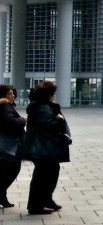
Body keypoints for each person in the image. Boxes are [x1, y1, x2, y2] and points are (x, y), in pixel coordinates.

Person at [24, 81, 68, 214]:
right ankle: (36, 206)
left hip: (43, 146)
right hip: (44, 147)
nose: (54, 96)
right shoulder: (43, 108)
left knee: (48, 173)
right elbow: (48, 125)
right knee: (44, 176)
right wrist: (59, 119)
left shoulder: (39, 106)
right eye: (52, 93)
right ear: (48, 95)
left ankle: (46, 200)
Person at [0, 85, 26, 209]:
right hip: (8, 144)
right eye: (10, 93)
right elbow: (11, 122)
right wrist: (22, 120)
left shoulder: (5, 106)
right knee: (12, 169)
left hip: (6, 143)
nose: (13, 95)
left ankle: (2, 196)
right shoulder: (5, 107)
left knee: (7, 170)